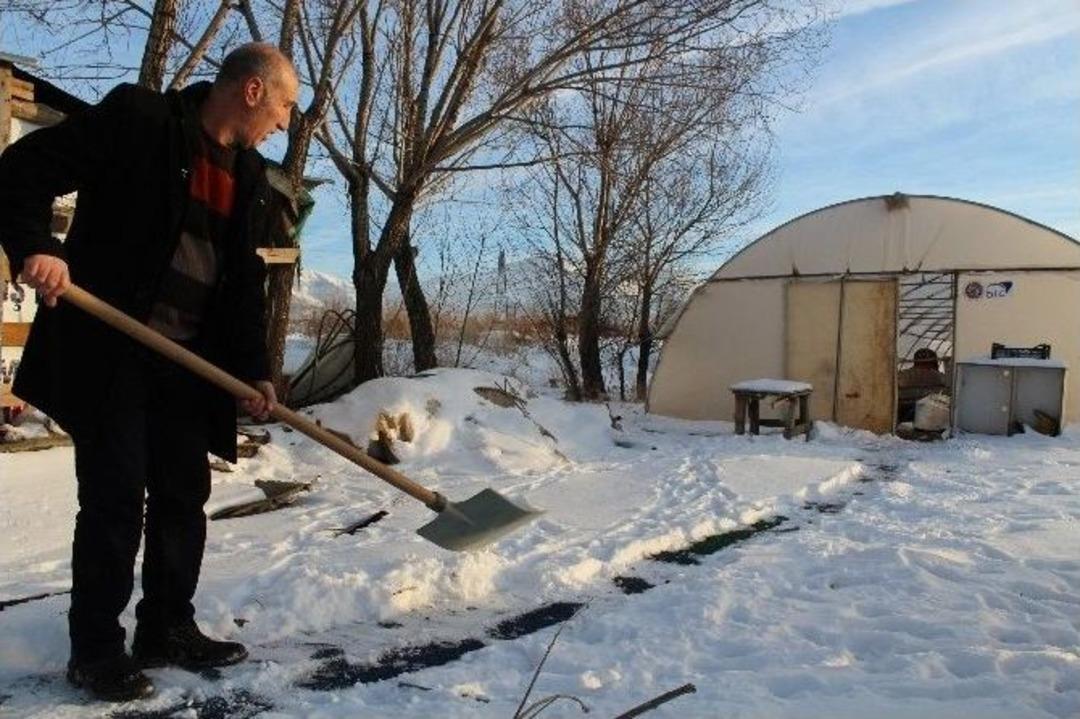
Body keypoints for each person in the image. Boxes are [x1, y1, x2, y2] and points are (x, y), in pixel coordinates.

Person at [0, 43, 299, 702]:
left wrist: (254, 371)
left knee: (183, 496)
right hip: (112, 351)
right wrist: (37, 247)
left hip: (187, 364)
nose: (283, 123)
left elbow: (243, 285)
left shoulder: (250, 175)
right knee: (115, 497)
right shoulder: (141, 121)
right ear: (252, 91)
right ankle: (96, 650)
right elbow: (21, 168)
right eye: (283, 106)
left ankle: (166, 627)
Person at [897, 347, 948, 423]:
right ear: (934, 362)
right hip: (932, 416)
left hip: (903, 415)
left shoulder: (903, 376)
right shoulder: (940, 377)